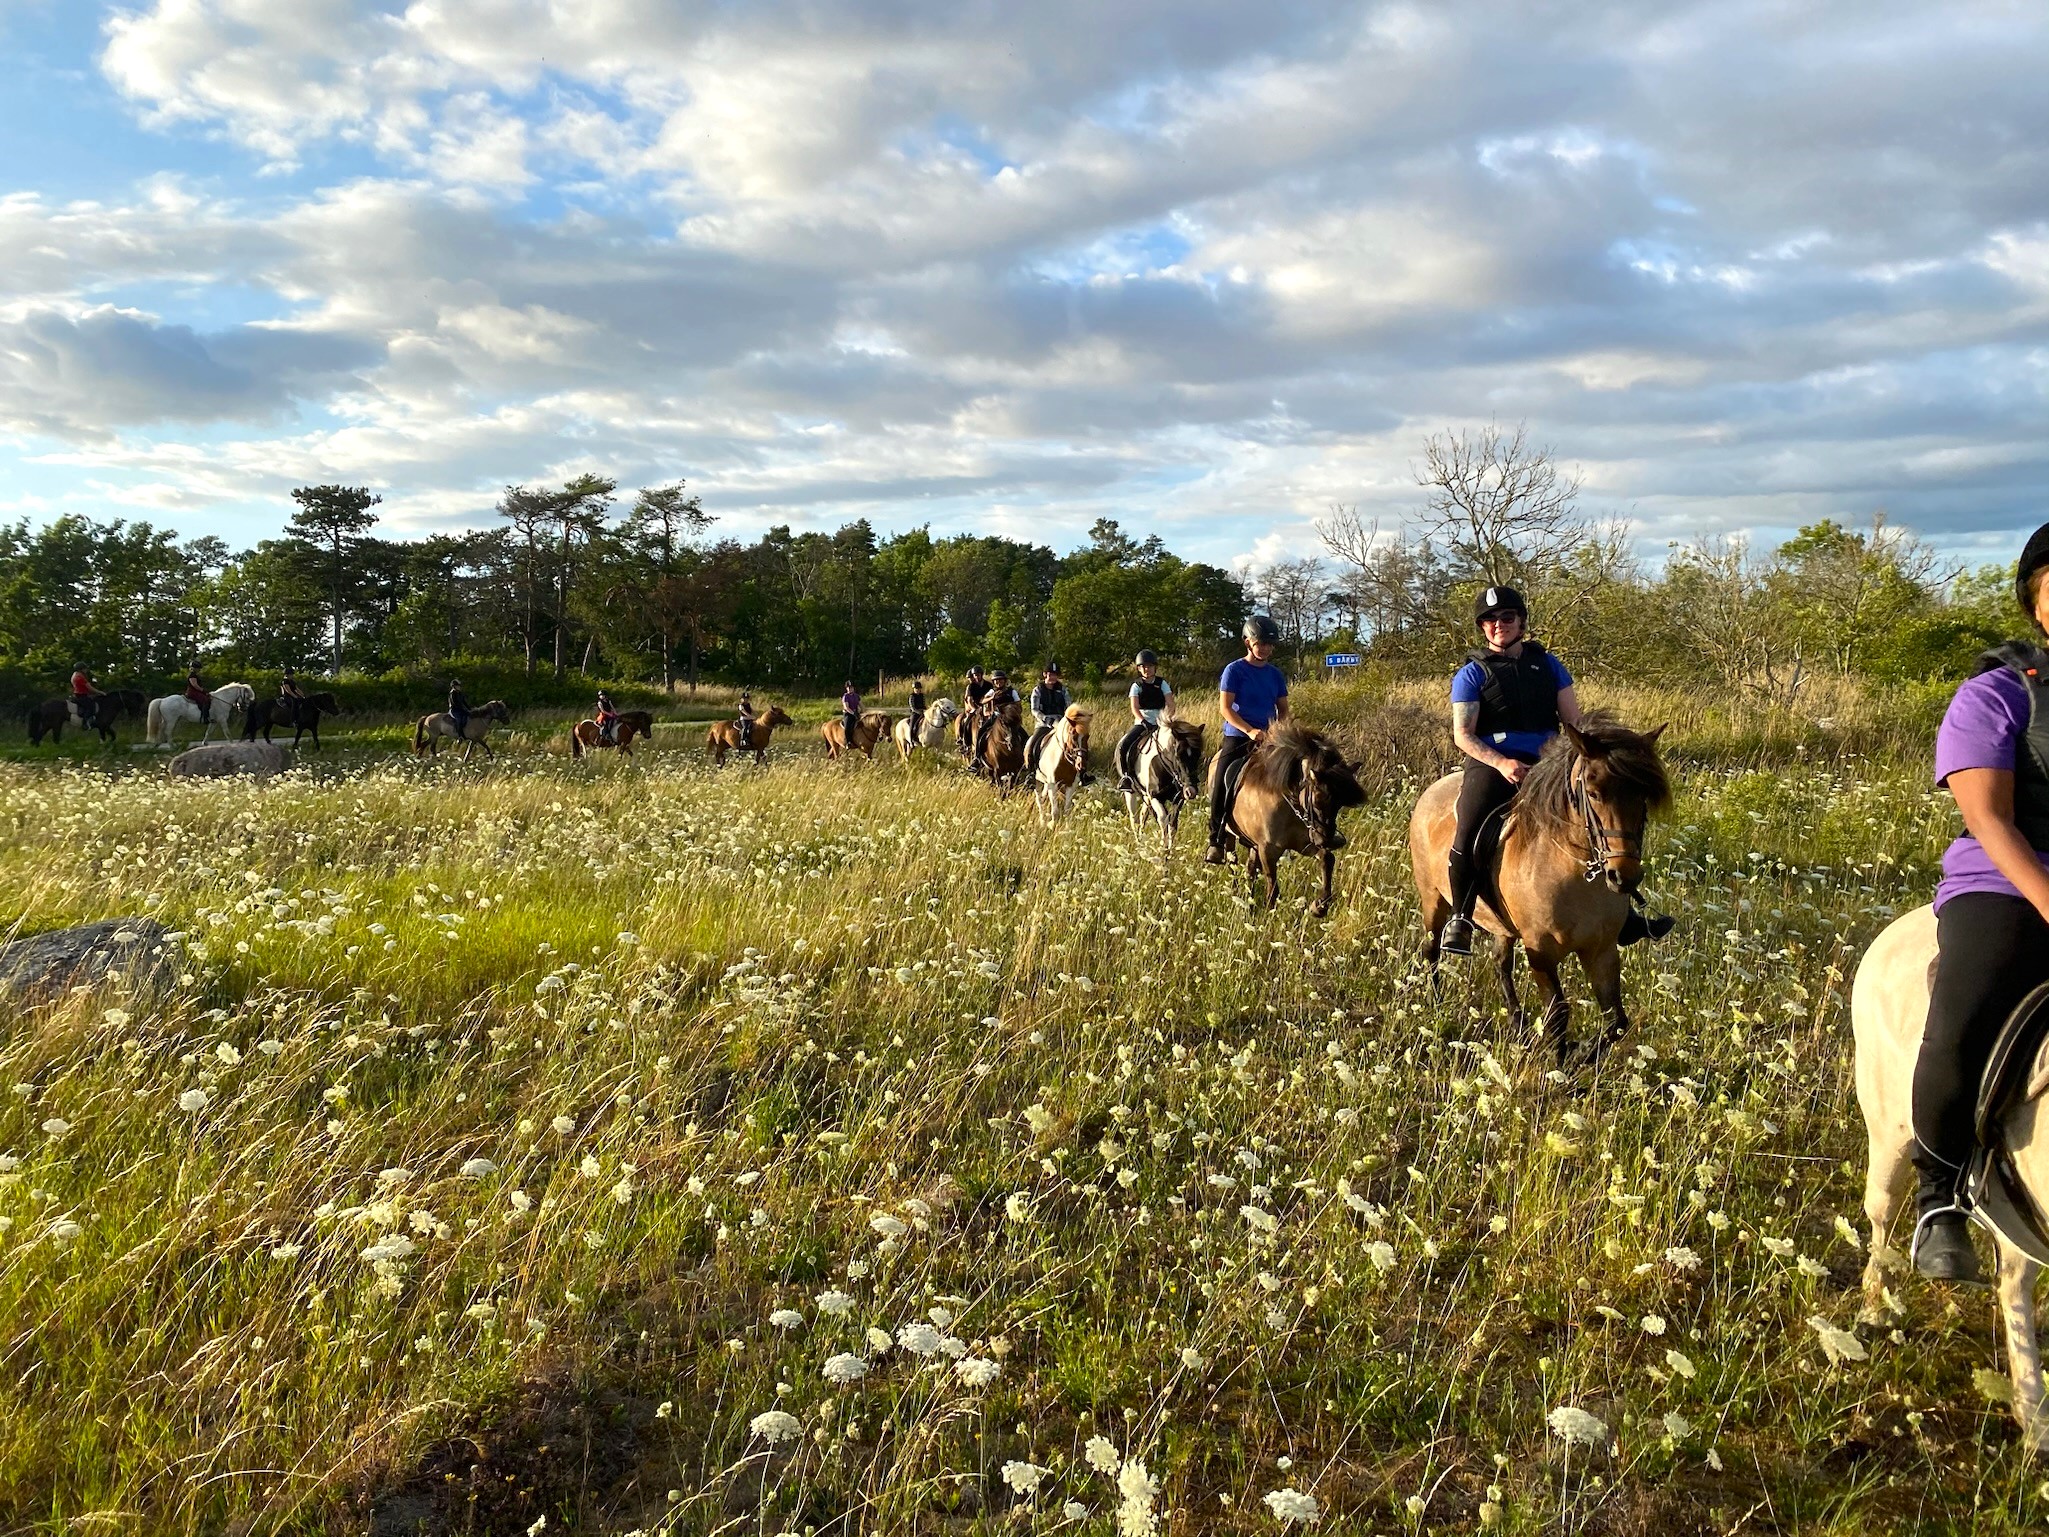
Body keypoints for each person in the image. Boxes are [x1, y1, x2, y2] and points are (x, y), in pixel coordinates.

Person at [1908, 520, 2049, 1283]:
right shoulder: (1995, 693)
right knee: (1962, 1016)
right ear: (2035, 604)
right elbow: (1988, 818)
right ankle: (1939, 1199)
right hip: (2008, 881)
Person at [1437, 587, 1585, 956]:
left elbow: (1574, 722)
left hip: (1550, 764)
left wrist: (1571, 760)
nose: (1498, 625)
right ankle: (1461, 917)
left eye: (1506, 618)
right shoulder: (1471, 674)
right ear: (1482, 628)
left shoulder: (1550, 666)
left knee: (1601, 818)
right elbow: (1463, 735)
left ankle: (1625, 911)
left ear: (1521, 621)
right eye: (1490, 620)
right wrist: (1502, 762)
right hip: (1493, 765)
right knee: (1468, 831)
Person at [1205, 617, 1290, 863]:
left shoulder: (1275, 674)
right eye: (1260, 643)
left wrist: (1279, 730)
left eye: (1269, 644)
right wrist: (1250, 730)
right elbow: (1226, 708)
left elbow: (1283, 709)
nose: (1265, 648)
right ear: (1247, 642)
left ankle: (1289, 832)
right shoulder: (1234, 670)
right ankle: (1216, 839)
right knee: (1224, 778)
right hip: (1238, 736)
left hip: (1270, 737)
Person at [1117, 650, 1174, 792]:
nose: (1146, 669)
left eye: (1149, 666)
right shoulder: (1136, 685)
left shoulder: (1162, 683)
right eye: (1142, 667)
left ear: (1155, 667)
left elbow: (1171, 704)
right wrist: (1143, 721)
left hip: (1161, 722)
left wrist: (1165, 719)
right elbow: (1134, 708)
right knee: (1123, 746)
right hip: (1143, 722)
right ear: (1138, 668)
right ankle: (1126, 777)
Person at [1025, 662, 1070, 777]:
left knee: (1077, 743)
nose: (1053, 677)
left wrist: (1066, 720)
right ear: (1045, 674)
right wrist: (1046, 719)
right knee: (1032, 745)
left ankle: (1082, 773)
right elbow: (1034, 710)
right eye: (1050, 674)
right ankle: (1031, 771)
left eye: (1055, 675)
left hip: (1061, 723)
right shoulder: (1038, 690)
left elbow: (1068, 707)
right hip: (1044, 724)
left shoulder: (1063, 690)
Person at [971, 668, 1020, 768]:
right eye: (996, 680)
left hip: (1009, 718)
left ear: (1005, 681)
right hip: (996, 716)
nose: (999, 682)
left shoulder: (1012, 692)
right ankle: (977, 758)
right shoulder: (991, 691)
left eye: (1001, 680)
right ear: (993, 682)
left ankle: (1026, 759)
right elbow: (983, 701)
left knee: (1023, 735)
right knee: (981, 732)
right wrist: (992, 697)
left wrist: (1014, 713)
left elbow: (1018, 704)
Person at [70, 664, 102, 732]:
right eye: (85, 669)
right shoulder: (80, 677)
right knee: (91, 706)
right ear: (81, 669)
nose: (86, 670)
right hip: (81, 696)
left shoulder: (74, 675)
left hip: (78, 694)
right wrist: (100, 692)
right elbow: (90, 688)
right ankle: (85, 723)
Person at [840, 681, 862, 754]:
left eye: (851, 687)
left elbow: (861, 704)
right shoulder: (845, 696)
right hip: (848, 714)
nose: (850, 689)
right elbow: (846, 707)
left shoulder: (856, 696)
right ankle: (848, 742)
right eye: (848, 688)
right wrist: (853, 713)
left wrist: (864, 711)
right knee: (847, 727)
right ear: (846, 688)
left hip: (856, 713)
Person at [906, 675, 926, 746]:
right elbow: (912, 707)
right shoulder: (912, 696)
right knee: (913, 726)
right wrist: (918, 712)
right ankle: (912, 740)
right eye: (916, 689)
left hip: (922, 712)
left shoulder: (922, 695)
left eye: (919, 688)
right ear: (914, 689)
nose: (918, 690)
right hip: (915, 713)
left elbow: (923, 704)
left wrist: (925, 710)